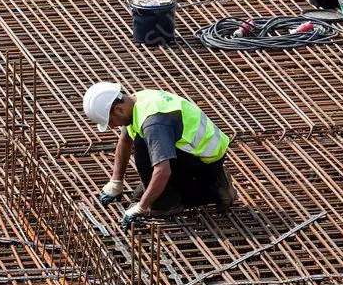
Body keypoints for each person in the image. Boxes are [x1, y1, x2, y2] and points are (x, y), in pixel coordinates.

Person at [83, 83, 236, 231]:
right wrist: (116, 182)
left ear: (118, 109)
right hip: (193, 152)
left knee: (143, 149)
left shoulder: (153, 123)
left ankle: (214, 188)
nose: (111, 126)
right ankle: (205, 185)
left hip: (202, 162)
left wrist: (141, 208)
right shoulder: (137, 101)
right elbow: (125, 138)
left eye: (110, 121)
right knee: (141, 194)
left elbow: (162, 171)